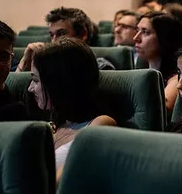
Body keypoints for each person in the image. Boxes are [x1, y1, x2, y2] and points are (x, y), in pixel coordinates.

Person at [28, 38, 116, 178]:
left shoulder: (101, 124)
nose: (30, 88)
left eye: (36, 80)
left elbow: (64, 181)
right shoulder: (52, 126)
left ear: (60, 83)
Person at [18, 7, 114, 71]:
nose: (54, 41)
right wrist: (25, 64)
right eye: (52, 35)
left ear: (82, 35)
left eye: (61, 34)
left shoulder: (101, 67)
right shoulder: (45, 63)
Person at [133, 11, 182, 115]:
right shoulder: (140, 72)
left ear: (164, 38)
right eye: (137, 30)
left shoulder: (176, 80)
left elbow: (157, 114)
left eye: (145, 32)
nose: (135, 38)